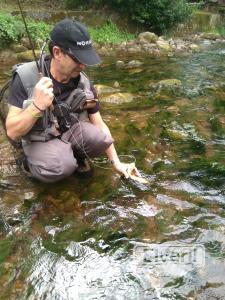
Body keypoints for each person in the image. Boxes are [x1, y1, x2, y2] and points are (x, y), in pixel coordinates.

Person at [5, 18, 140, 183]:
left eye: (86, 58)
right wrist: (37, 106)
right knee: (60, 167)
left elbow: (99, 123)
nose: (83, 65)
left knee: (101, 140)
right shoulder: (26, 77)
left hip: (69, 132)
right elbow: (12, 131)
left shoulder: (83, 82)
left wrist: (116, 163)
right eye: (78, 59)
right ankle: (32, 164)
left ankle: (71, 155)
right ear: (57, 52)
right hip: (39, 138)